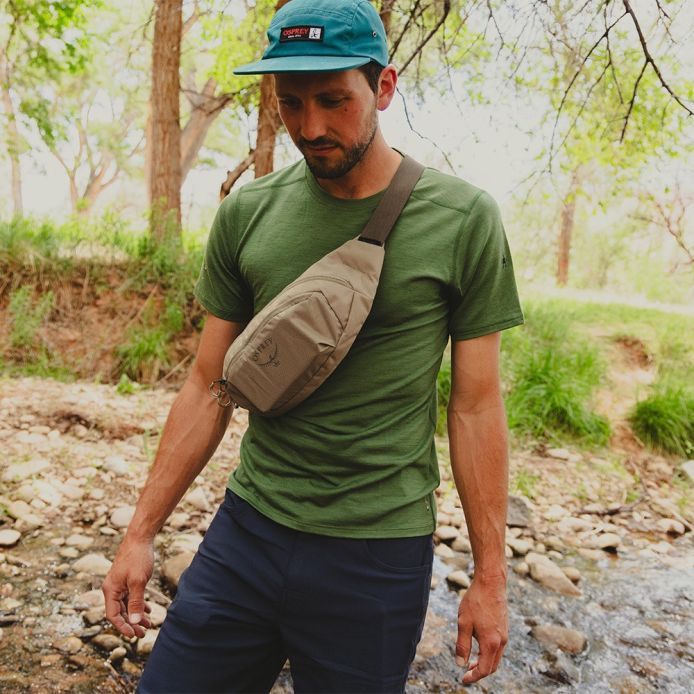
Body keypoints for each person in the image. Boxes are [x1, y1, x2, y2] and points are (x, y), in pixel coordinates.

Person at [102, 0, 524, 691]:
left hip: (376, 556)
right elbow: (208, 384)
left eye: (334, 100)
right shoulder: (248, 213)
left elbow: (476, 406)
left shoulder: (462, 219)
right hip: (248, 530)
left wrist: (490, 577)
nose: (311, 127)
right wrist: (141, 532)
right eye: (291, 103)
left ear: (384, 87)